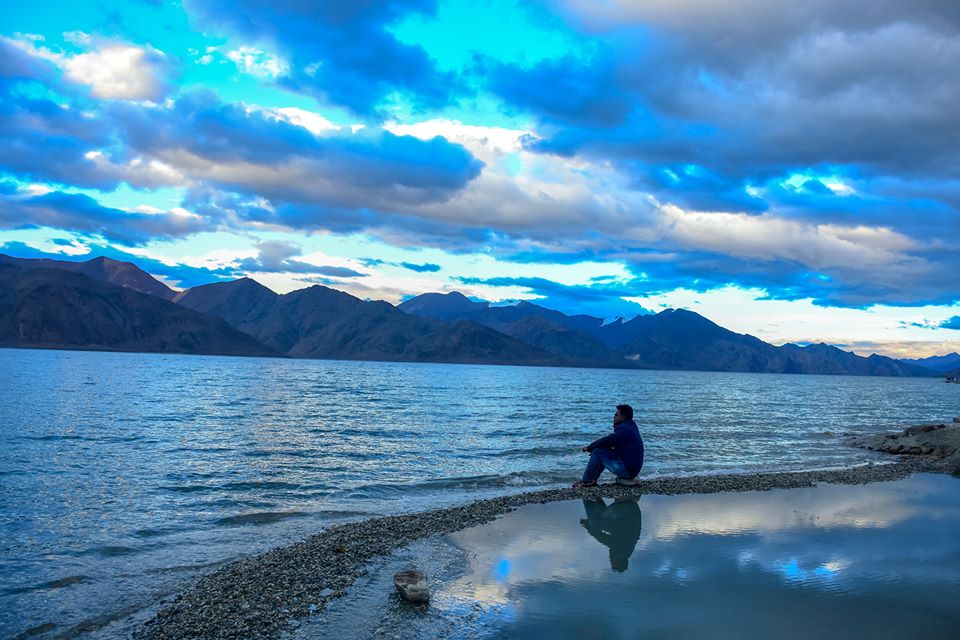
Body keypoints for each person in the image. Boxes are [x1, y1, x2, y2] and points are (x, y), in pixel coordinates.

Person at [573, 404, 644, 488]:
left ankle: (587, 481)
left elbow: (608, 440)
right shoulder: (630, 427)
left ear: (623, 417)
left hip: (627, 470)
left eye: (616, 415)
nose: (613, 417)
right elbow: (609, 443)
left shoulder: (624, 430)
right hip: (632, 469)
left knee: (597, 452)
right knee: (602, 450)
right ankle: (592, 480)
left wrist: (590, 447)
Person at [580, 497, 643, 572]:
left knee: (599, 524)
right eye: (612, 562)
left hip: (627, 512)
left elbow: (609, 535)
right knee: (595, 526)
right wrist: (588, 527)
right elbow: (602, 538)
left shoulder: (626, 551)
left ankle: (595, 499)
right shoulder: (621, 550)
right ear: (618, 561)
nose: (610, 559)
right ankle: (587, 497)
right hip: (626, 508)